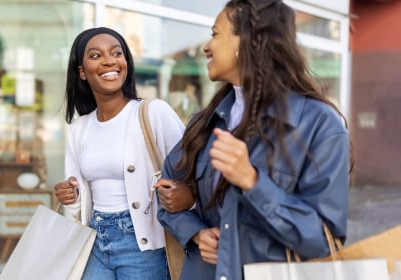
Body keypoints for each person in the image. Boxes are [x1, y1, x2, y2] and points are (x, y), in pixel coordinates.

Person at [155, 1, 353, 280]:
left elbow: (324, 239)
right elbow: (165, 193)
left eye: (215, 33)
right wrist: (196, 233)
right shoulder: (205, 121)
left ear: (247, 40)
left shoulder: (319, 124)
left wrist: (252, 181)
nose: (205, 47)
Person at [53, 27, 185, 280]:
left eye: (117, 53)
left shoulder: (153, 112)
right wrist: (69, 195)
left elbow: (190, 171)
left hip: (143, 244)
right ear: (81, 71)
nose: (109, 61)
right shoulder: (79, 127)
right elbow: (78, 206)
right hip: (95, 240)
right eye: (95, 56)